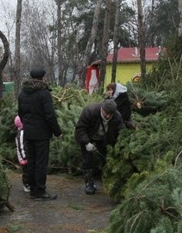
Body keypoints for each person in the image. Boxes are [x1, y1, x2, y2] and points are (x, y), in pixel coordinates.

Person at [17, 68, 63, 200]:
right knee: (41, 163)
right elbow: (50, 116)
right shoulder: (44, 93)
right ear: (42, 78)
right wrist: (57, 132)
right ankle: (40, 191)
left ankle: (32, 189)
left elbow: (21, 113)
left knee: (31, 161)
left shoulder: (22, 93)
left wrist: (27, 125)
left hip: (28, 132)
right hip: (42, 134)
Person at [74, 99, 126, 194]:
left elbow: (122, 132)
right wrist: (86, 143)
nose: (108, 116)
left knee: (106, 158)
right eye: (106, 113)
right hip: (88, 136)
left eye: (111, 114)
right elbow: (80, 129)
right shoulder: (90, 111)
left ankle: (106, 179)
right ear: (102, 109)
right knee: (87, 160)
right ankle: (89, 183)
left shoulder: (117, 116)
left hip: (104, 137)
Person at [14, 115, 30, 192]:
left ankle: (29, 183)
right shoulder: (22, 133)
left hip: (25, 155)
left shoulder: (23, 131)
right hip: (24, 157)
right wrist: (24, 157)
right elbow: (21, 146)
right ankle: (26, 184)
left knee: (28, 170)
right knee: (26, 171)